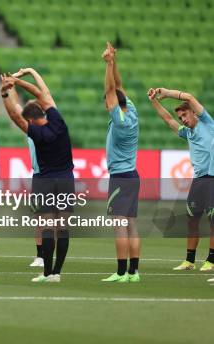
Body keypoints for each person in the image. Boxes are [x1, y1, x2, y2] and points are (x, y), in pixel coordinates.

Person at [1, 68, 74, 283]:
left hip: (45, 180)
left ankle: (47, 272)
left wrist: (6, 92)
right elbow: (44, 94)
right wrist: (19, 81)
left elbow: (15, 115)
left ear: (31, 121)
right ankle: (57, 273)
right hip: (66, 178)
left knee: (47, 227)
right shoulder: (58, 121)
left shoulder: (37, 134)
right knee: (63, 227)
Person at [148, 86, 214, 272]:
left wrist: (167, 93)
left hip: (212, 178)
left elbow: (190, 97)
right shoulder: (188, 133)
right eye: (181, 118)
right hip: (199, 180)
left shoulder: (207, 123)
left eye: (185, 115)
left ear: (194, 113)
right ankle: (189, 261)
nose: (183, 119)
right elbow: (167, 119)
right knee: (192, 220)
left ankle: (211, 260)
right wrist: (154, 101)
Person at [100, 42, 141, 283]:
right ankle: (134, 272)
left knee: (119, 226)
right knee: (132, 225)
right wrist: (113, 62)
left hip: (120, 178)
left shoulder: (121, 121)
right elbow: (118, 86)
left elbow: (110, 90)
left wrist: (107, 64)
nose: (106, 104)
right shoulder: (132, 110)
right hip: (132, 176)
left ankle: (121, 272)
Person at [6, 86, 44, 268]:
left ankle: (50, 254)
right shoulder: (31, 129)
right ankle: (40, 255)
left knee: (51, 219)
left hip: (51, 176)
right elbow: (15, 107)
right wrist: (10, 87)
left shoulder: (49, 127)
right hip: (37, 176)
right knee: (38, 218)